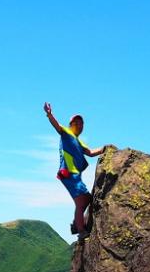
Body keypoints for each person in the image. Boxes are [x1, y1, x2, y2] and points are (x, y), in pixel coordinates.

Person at [44, 102, 106, 240]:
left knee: (88, 199)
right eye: (76, 122)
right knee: (80, 202)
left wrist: (104, 149)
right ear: (71, 124)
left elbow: (90, 152)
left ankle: (75, 224)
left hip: (75, 175)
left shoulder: (79, 141)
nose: (79, 125)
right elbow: (57, 126)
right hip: (68, 173)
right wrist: (49, 114)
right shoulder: (66, 132)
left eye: (81, 123)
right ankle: (81, 231)